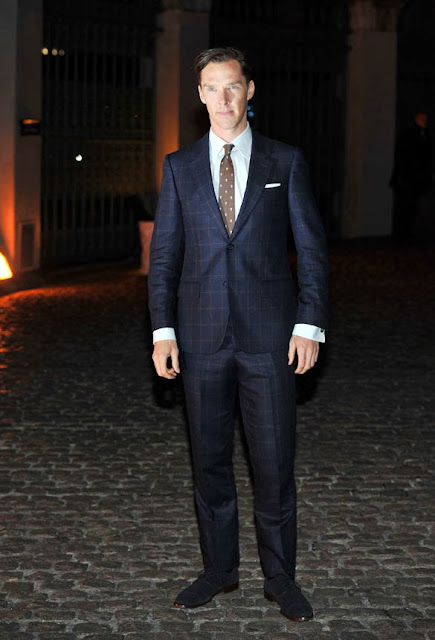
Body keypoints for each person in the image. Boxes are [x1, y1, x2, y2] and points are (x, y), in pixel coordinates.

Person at [148, 47, 329, 622]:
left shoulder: (285, 161)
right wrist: (162, 331)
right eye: (212, 87)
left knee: (273, 465)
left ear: (249, 90)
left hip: (270, 339)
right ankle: (219, 569)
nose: (223, 98)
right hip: (199, 339)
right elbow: (164, 258)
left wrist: (309, 323)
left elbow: (312, 249)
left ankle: (281, 577)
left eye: (233, 86)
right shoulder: (179, 167)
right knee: (209, 464)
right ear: (199, 95)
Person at [390, 111, 432, 241]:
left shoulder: (424, 135)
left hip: (414, 179)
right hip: (409, 179)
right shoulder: (411, 135)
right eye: (422, 119)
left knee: (412, 208)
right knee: (406, 208)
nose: (425, 121)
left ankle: (407, 234)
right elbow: (404, 159)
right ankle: (403, 234)